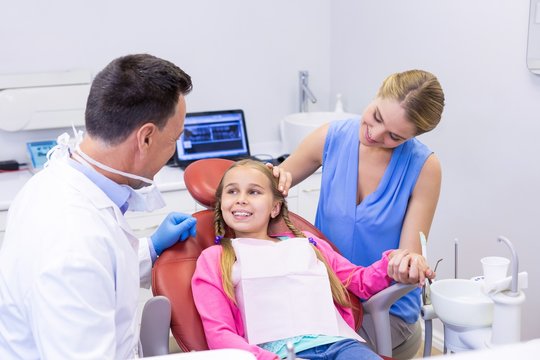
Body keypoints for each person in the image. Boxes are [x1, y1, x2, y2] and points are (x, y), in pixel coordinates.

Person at [0, 54, 197, 359]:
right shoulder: (73, 242)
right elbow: (85, 263)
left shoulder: (57, 181)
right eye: (174, 139)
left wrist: (151, 249)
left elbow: (102, 270)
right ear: (145, 138)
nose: (172, 151)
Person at [272, 69, 445, 357]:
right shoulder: (331, 137)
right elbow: (275, 183)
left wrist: (409, 264)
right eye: (376, 116)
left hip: (384, 308)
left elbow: (406, 255)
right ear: (377, 93)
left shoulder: (424, 167)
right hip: (323, 293)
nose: (374, 134)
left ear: (413, 136)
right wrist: (259, 182)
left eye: (394, 136)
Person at [191, 159, 434, 360]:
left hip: (342, 347)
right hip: (277, 355)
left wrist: (398, 261)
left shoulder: (308, 243)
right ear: (221, 203)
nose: (241, 199)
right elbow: (219, 334)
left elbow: (360, 280)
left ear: (275, 207)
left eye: (254, 191)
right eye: (232, 191)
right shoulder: (216, 258)